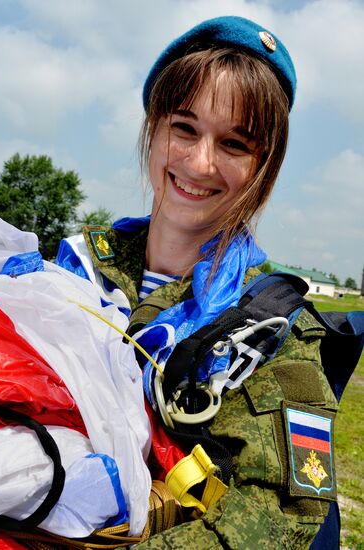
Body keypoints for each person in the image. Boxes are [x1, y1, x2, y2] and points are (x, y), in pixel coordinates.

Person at [55, 15, 339, 549]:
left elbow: (284, 511)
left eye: (235, 144)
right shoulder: (77, 265)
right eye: (184, 128)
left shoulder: (273, 326)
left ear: (264, 167)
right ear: (154, 129)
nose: (200, 163)